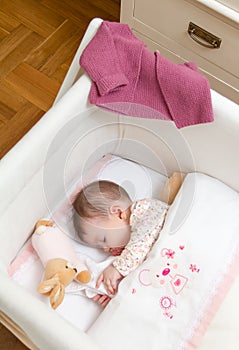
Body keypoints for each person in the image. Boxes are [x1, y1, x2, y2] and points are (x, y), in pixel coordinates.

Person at [73, 180, 169, 307]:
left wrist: (117, 269)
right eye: (100, 247)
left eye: (103, 239)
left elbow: (142, 243)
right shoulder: (128, 251)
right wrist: (115, 293)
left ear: (118, 213)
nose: (105, 249)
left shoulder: (145, 210)